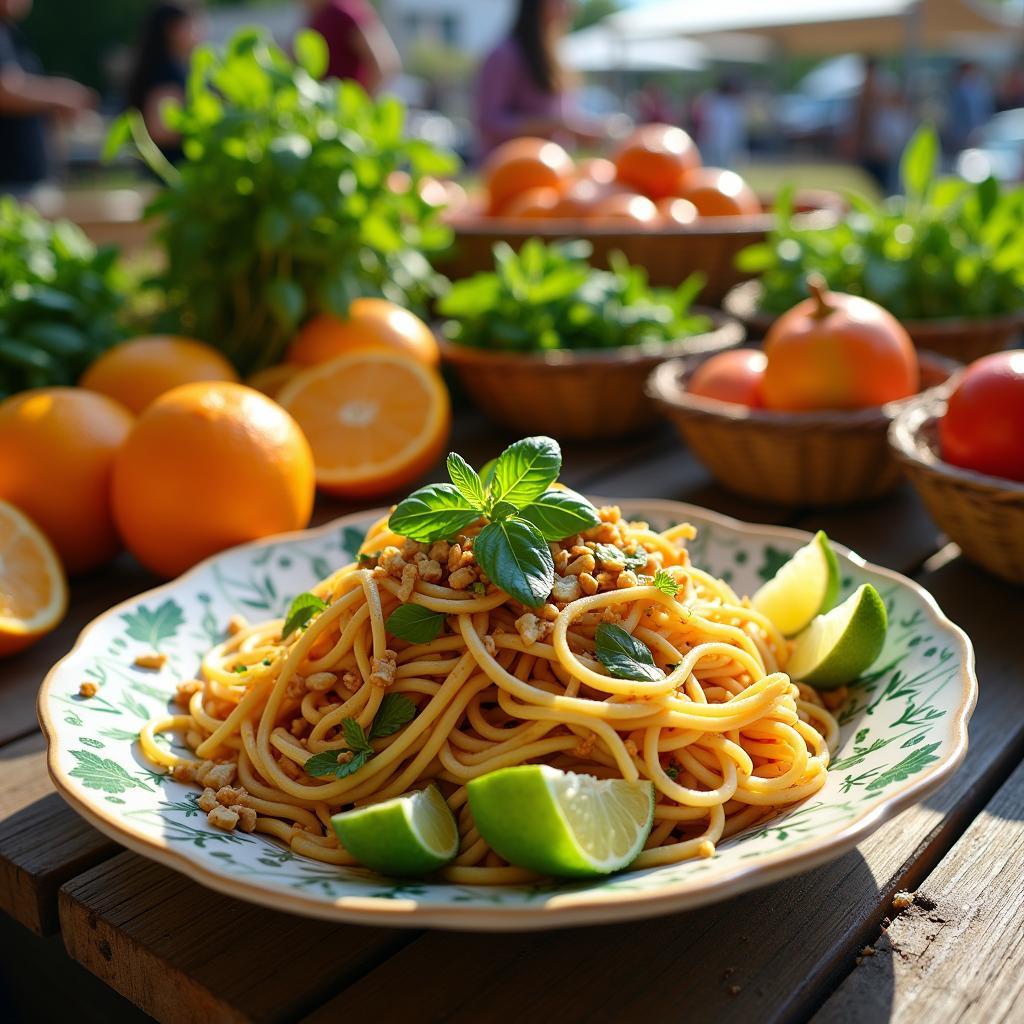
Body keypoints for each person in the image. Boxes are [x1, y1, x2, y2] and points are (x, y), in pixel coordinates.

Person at [475, 0, 602, 156]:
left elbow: (565, 116)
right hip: (512, 167)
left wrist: (586, 128)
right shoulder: (506, 55)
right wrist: (556, 126)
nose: (570, 6)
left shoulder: (556, 55)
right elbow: (490, 122)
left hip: (553, 167)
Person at [0, 0, 95, 192]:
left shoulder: (10, 32)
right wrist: (62, 95)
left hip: (23, 176)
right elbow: (5, 90)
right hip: (10, 179)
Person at [125, 2, 203, 164]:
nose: (199, 32)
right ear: (172, 30)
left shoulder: (180, 67)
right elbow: (161, 130)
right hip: (172, 167)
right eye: (191, 25)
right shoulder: (165, 73)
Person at [304, 0, 400, 94]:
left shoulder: (344, 11)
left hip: (341, 104)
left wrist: (360, 102)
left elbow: (384, 62)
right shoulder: (316, 15)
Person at [695, 76, 747, 169]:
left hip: (727, 144)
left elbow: (737, 129)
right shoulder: (711, 99)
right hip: (710, 142)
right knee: (709, 168)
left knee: (725, 169)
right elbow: (704, 122)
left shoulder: (735, 104)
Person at [946, 61, 994, 154]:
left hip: (977, 132)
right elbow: (957, 115)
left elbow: (985, 111)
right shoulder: (958, 91)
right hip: (962, 135)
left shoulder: (980, 89)